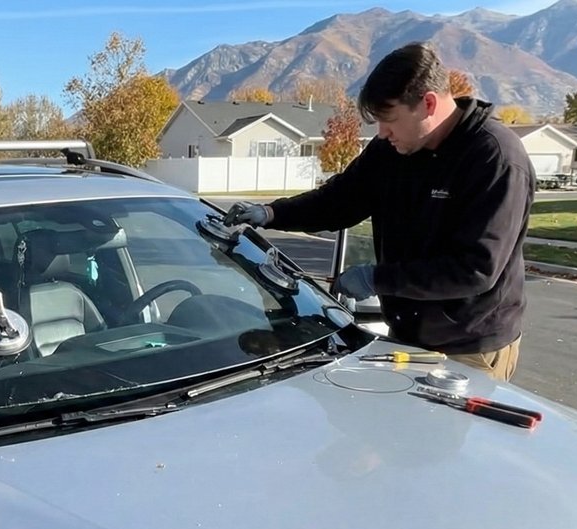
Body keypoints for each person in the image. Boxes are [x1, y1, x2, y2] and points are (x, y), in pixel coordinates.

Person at [224, 43, 534, 381]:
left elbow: (474, 269)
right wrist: (271, 214)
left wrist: (377, 278)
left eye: (389, 120)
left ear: (428, 104)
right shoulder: (391, 151)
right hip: (408, 336)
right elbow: (339, 200)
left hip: (470, 347)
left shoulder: (495, 159)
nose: (382, 134)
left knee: (446, 433)